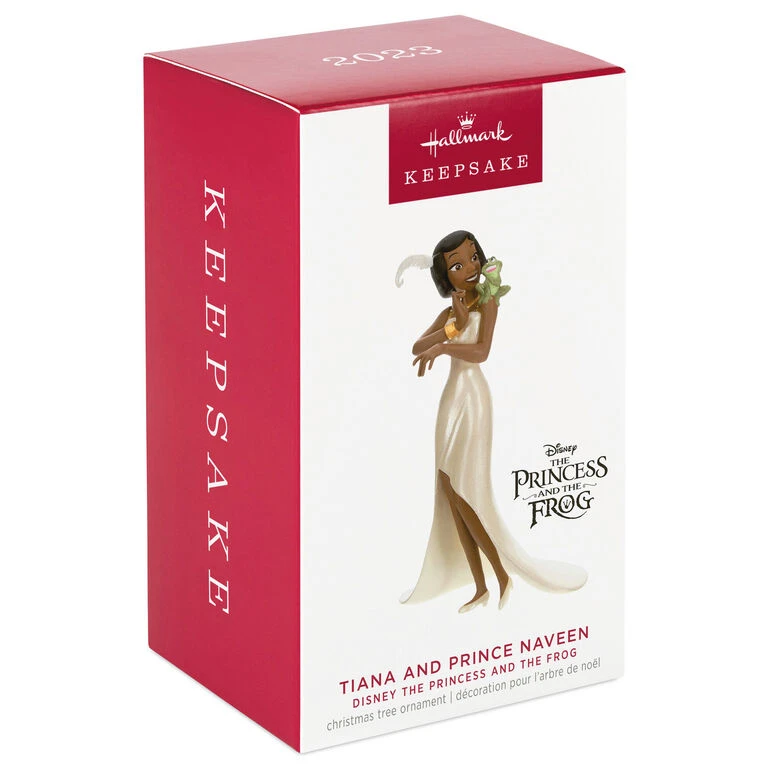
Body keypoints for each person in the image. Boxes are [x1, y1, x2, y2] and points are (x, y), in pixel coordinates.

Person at [397, 230, 587, 613]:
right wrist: (451, 326)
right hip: (451, 399)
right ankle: (481, 586)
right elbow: (417, 346)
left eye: (473, 257)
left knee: (467, 490)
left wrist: (444, 345)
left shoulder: (489, 302)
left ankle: (501, 575)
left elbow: (482, 351)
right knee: (449, 491)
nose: (469, 267)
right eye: (457, 265)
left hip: (474, 398)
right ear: (444, 276)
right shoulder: (451, 313)